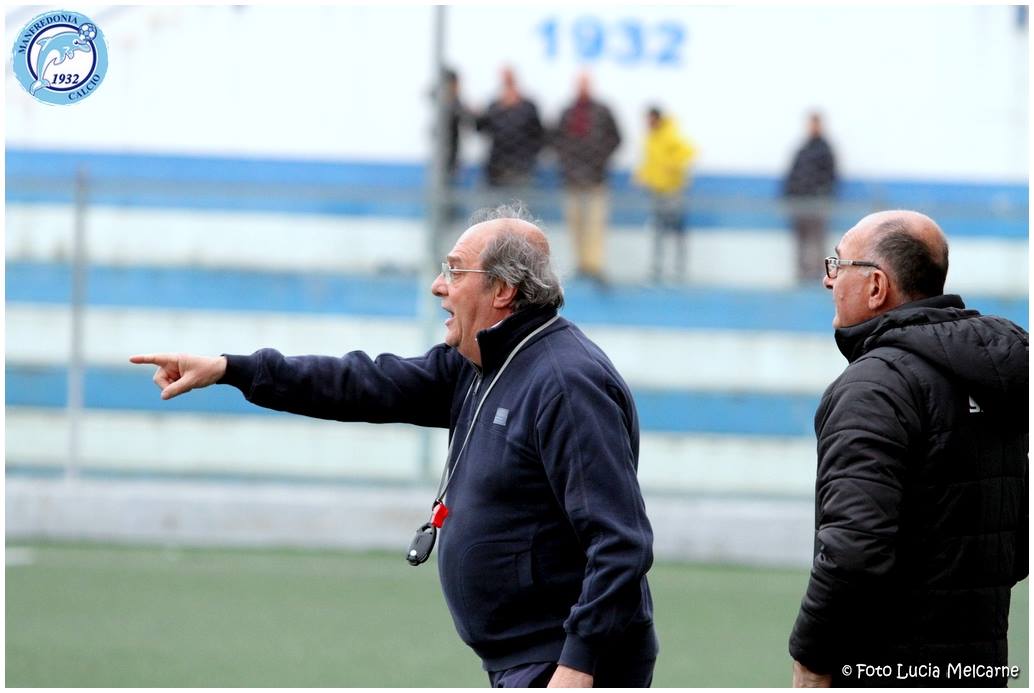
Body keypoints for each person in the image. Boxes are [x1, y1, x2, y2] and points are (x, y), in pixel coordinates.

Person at [130, 204, 659, 688]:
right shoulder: (479, 364)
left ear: (502, 290)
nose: (438, 286)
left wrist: (577, 665)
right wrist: (231, 369)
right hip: (530, 661)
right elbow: (360, 383)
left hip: (567, 666)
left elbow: (619, 542)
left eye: (455, 271)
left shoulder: (566, 384)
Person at [789, 210, 1028, 687]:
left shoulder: (875, 387)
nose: (827, 279)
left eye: (838, 264)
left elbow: (853, 553)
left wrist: (811, 658)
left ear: (877, 286)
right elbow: (1015, 545)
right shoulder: (993, 375)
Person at [552, 72, 622, 285]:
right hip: (572, 178)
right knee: (575, 221)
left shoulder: (602, 111)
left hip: (596, 177)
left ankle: (594, 265)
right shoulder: (568, 112)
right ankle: (581, 263)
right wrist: (567, 163)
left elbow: (616, 138)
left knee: (595, 222)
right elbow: (556, 140)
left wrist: (601, 160)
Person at [634, 106, 696, 284]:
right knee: (658, 230)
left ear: (657, 118)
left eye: (650, 119)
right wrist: (642, 176)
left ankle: (679, 270)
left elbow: (689, 152)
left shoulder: (671, 135)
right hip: (656, 191)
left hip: (672, 191)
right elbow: (649, 162)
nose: (648, 123)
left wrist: (670, 167)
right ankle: (657, 270)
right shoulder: (650, 138)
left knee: (677, 230)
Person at [784, 112, 837, 283]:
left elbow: (830, 177)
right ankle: (802, 275)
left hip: (817, 203)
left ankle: (818, 276)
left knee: (817, 241)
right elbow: (793, 174)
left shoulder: (825, 150)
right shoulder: (802, 149)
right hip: (800, 203)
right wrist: (791, 194)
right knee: (801, 241)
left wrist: (820, 194)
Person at [475, 67, 545, 188]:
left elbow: (539, 134)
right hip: (496, 167)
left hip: (521, 166)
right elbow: (482, 128)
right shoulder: (494, 107)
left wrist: (530, 156)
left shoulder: (528, 107)